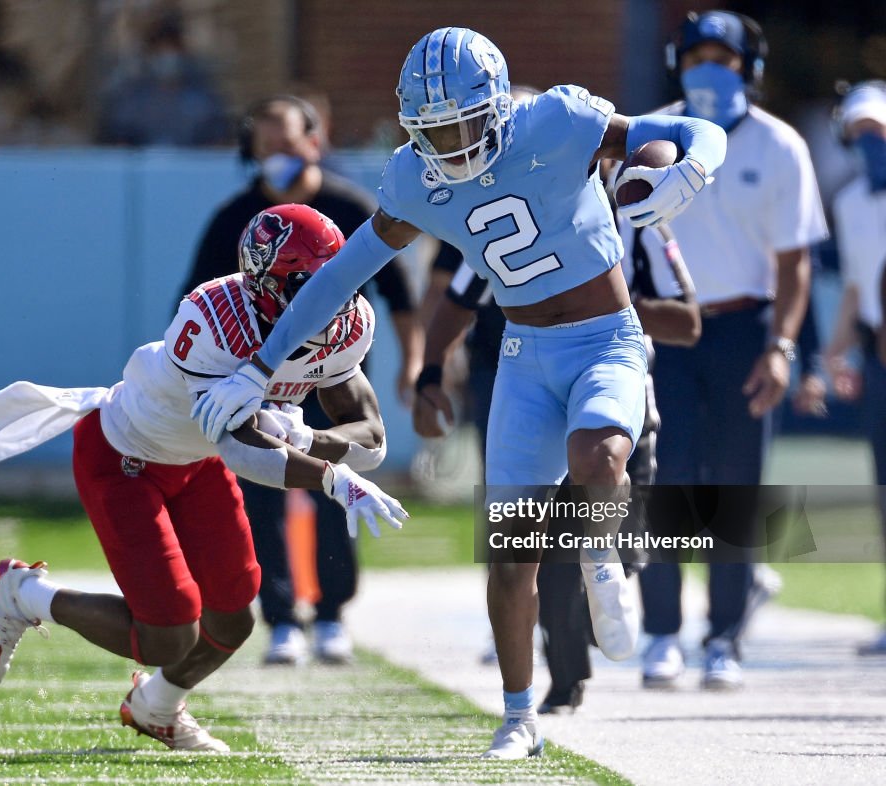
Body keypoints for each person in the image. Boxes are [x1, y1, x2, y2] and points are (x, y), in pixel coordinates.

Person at [195, 27, 727, 758]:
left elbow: (691, 129)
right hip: (523, 355)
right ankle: (517, 718)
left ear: (497, 106)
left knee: (597, 453)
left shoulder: (556, 121)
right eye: (432, 127)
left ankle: (603, 558)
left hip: (607, 336)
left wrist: (691, 165)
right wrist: (262, 364)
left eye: (459, 121)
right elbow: (340, 277)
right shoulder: (415, 177)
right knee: (511, 556)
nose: (447, 140)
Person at [0, 204, 406, 753]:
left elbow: (370, 436)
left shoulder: (350, 323)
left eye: (335, 278)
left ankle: (156, 707)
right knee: (168, 634)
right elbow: (245, 450)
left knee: (232, 620)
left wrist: (307, 440)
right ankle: (24, 594)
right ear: (264, 285)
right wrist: (332, 479)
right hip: (126, 459)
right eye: (307, 284)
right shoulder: (215, 320)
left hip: (196, 464)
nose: (328, 298)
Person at [414, 159, 701, 715]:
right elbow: (457, 299)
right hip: (539, 396)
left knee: (619, 543)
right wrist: (430, 371)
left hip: (619, 396)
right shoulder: (514, 216)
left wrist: (606, 303)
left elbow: (690, 322)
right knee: (538, 548)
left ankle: (606, 610)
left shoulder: (639, 219)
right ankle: (564, 681)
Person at [180, 94, 423, 665]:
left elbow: (400, 295)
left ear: (315, 142)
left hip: (328, 368)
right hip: (252, 375)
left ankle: (333, 611)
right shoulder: (232, 217)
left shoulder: (351, 206)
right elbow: (192, 300)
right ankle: (283, 615)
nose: (275, 159)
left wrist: (413, 363)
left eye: (285, 145)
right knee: (263, 489)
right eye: (264, 148)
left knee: (338, 478)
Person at [634, 10, 828, 690]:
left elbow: (794, 262)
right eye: (697, 56)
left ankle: (723, 638)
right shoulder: (650, 135)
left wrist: (782, 346)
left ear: (752, 66)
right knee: (663, 479)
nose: (710, 68)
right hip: (664, 331)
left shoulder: (780, 146)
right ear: (676, 63)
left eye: (726, 56)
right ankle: (661, 634)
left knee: (735, 489)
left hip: (745, 330)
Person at [822, 80, 886, 655]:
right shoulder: (848, 204)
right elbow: (856, 286)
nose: (871, 143)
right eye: (861, 133)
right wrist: (831, 354)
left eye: (880, 132)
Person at [98, 9, 229, 147]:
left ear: (183, 51)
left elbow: (217, 141)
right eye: (160, 49)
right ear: (150, 53)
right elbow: (117, 142)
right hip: (140, 167)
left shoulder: (204, 98)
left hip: (191, 166)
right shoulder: (131, 99)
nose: (167, 55)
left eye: (173, 48)